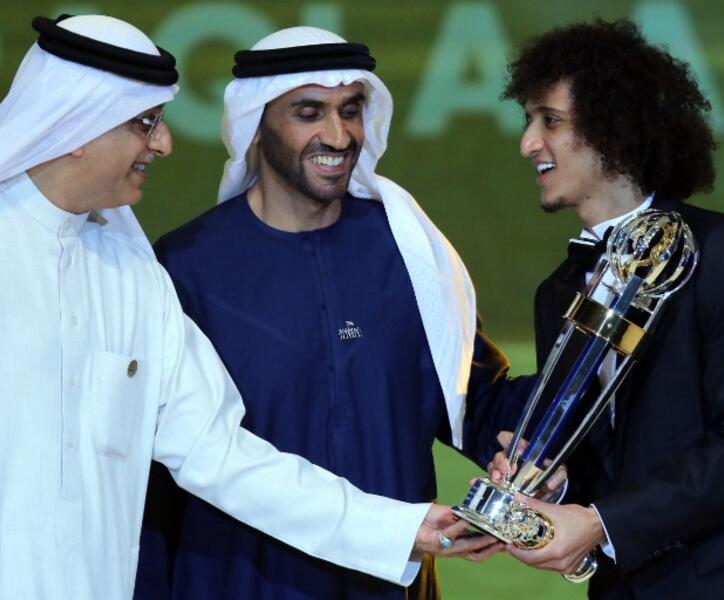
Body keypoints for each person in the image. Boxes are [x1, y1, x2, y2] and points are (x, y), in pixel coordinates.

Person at [0, 14, 481, 600]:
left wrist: (397, 526)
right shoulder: (180, 263)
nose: (164, 143)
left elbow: (217, 451)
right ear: (76, 124)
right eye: (145, 123)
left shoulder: (135, 278)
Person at [135, 26, 535, 600]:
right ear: (257, 123)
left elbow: (474, 399)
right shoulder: (184, 269)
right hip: (233, 582)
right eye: (309, 112)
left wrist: (593, 372)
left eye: (350, 111)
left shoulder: (407, 250)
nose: (338, 134)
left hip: (388, 583)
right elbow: (159, 476)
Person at [495, 18, 724, 598]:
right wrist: (557, 487)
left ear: (613, 129)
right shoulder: (559, 293)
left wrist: (604, 524)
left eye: (550, 121)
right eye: (529, 120)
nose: (528, 142)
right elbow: (600, 462)